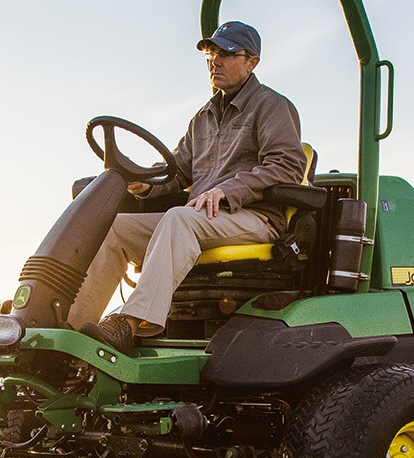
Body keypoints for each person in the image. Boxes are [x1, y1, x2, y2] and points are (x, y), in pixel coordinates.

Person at [68, 21, 304, 354]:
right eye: (211, 53)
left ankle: (131, 323)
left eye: (226, 54)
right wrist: (144, 185)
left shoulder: (271, 106)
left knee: (179, 218)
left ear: (252, 62)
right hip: (200, 217)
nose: (215, 62)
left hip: (253, 218)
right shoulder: (203, 118)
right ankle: (72, 331)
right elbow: (177, 172)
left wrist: (228, 190)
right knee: (116, 229)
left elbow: (287, 165)